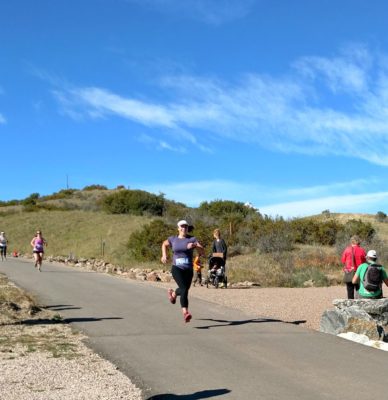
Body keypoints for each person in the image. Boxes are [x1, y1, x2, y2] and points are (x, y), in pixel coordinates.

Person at [161, 220, 204, 323]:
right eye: (182, 226)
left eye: (186, 226)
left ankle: (174, 295)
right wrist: (164, 255)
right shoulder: (173, 239)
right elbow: (164, 244)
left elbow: (202, 251)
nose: (184, 228)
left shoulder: (192, 239)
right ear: (178, 228)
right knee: (184, 289)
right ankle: (185, 313)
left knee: (184, 289)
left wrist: (195, 246)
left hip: (188, 269)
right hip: (177, 268)